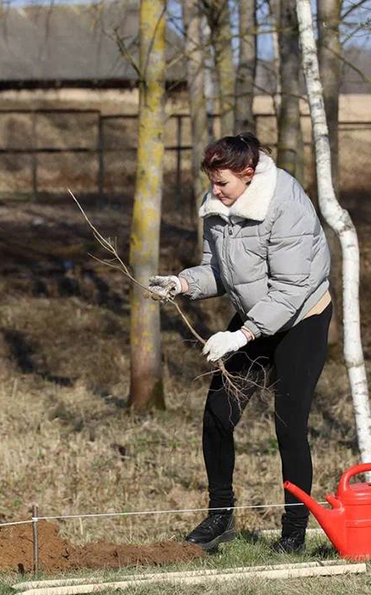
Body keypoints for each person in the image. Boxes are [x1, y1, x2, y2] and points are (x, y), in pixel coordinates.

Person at [149, 133, 332, 554]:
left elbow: (290, 289)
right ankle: (220, 517)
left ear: (248, 174)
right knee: (217, 415)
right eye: (211, 182)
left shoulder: (285, 205)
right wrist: (181, 283)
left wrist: (242, 334)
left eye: (222, 183)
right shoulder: (218, 205)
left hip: (302, 318)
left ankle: (293, 532)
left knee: (289, 425)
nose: (215, 191)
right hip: (255, 317)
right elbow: (219, 270)